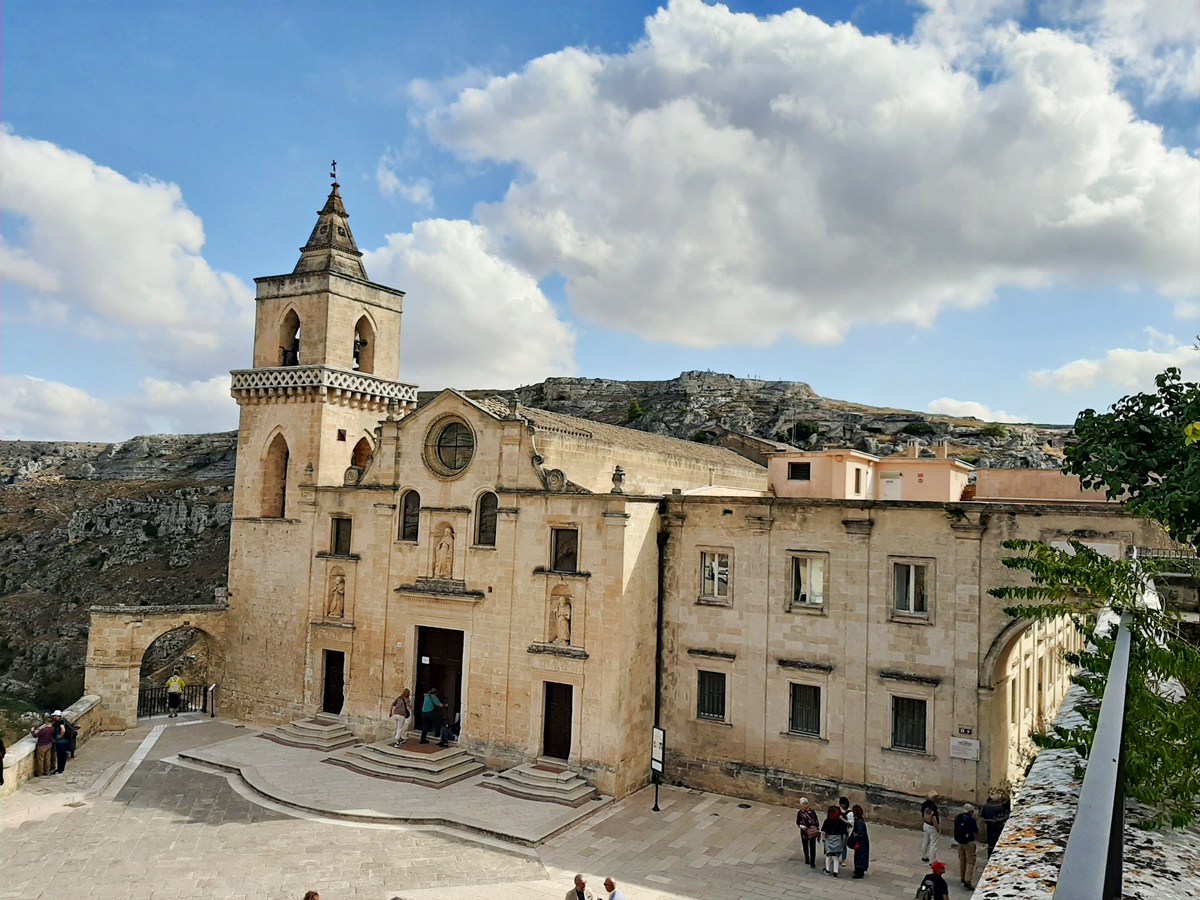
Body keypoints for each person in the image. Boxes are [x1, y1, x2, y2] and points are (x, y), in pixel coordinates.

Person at [953, 803, 980, 889]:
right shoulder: (971, 820)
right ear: (971, 811)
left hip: (960, 841)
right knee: (970, 862)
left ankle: (962, 876)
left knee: (962, 859)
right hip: (969, 842)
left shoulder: (958, 818)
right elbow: (976, 830)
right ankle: (967, 880)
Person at [820, 805, 847, 878]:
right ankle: (835, 873)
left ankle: (827, 870)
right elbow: (844, 832)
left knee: (828, 856)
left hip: (829, 839)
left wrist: (823, 839)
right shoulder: (840, 822)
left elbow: (823, 831)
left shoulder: (827, 821)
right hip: (838, 840)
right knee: (836, 857)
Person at [795, 797, 820, 868]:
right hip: (804, 832)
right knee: (805, 846)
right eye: (803, 804)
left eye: (806, 804)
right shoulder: (800, 813)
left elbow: (816, 820)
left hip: (812, 831)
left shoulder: (812, 811)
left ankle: (812, 862)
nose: (805, 806)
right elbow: (798, 822)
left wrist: (816, 828)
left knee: (813, 847)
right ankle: (807, 858)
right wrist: (802, 826)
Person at [849, 803, 870, 879]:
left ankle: (860, 872)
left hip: (861, 843)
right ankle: (858, 870)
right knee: (858, 856)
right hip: (861, 843)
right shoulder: (859, 821)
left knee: (860, 857)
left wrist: (855, 836)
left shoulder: (860, 822)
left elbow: (860, 834)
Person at [920, 791, 941, 862]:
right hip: (932, 827)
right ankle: (932, 861)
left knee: (925, 841)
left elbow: (922, 815)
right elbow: (934, 818)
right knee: (933, 844)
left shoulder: (924, 804)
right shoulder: (933, 807)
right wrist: (937, 828)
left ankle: (924, 856)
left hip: (926, 824)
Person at [839, 795, 853, 863]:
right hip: (838, 830)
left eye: (844, 804)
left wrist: (843, 819)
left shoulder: (850, 813)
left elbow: (851, 824)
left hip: (845, 831)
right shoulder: (839, 810)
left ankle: (843, 859)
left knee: (843, 845)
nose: (843, 806)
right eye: (841, 804)